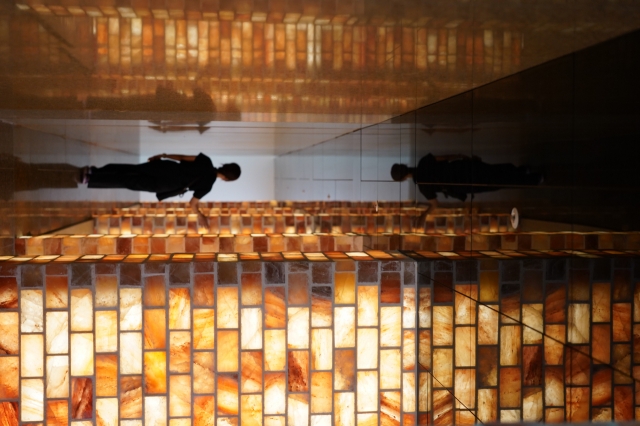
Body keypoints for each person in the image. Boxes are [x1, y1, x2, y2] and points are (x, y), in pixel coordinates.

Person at [80, 153, 240, 228]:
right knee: (128, 182)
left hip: (165, 168)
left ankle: (95, 172)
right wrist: (201, 216)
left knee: (130, 169)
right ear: (226, 179)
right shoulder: (208, 185)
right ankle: (90, 179)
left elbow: (182, 157)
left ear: (226, 166)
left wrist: (163, 155)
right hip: (165, 185)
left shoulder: (206, 161)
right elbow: (192, 204)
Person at [391, 153, 542, 224]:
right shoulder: (424, 161)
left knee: (496, 182)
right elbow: (447, 157)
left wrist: (423, 216)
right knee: (493, 170)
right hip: (462, 168)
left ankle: (533, 179)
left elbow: (434, 204)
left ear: (404, 179)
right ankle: (522, 171)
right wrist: (465, 157)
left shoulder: (423, 186)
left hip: (464, 184)